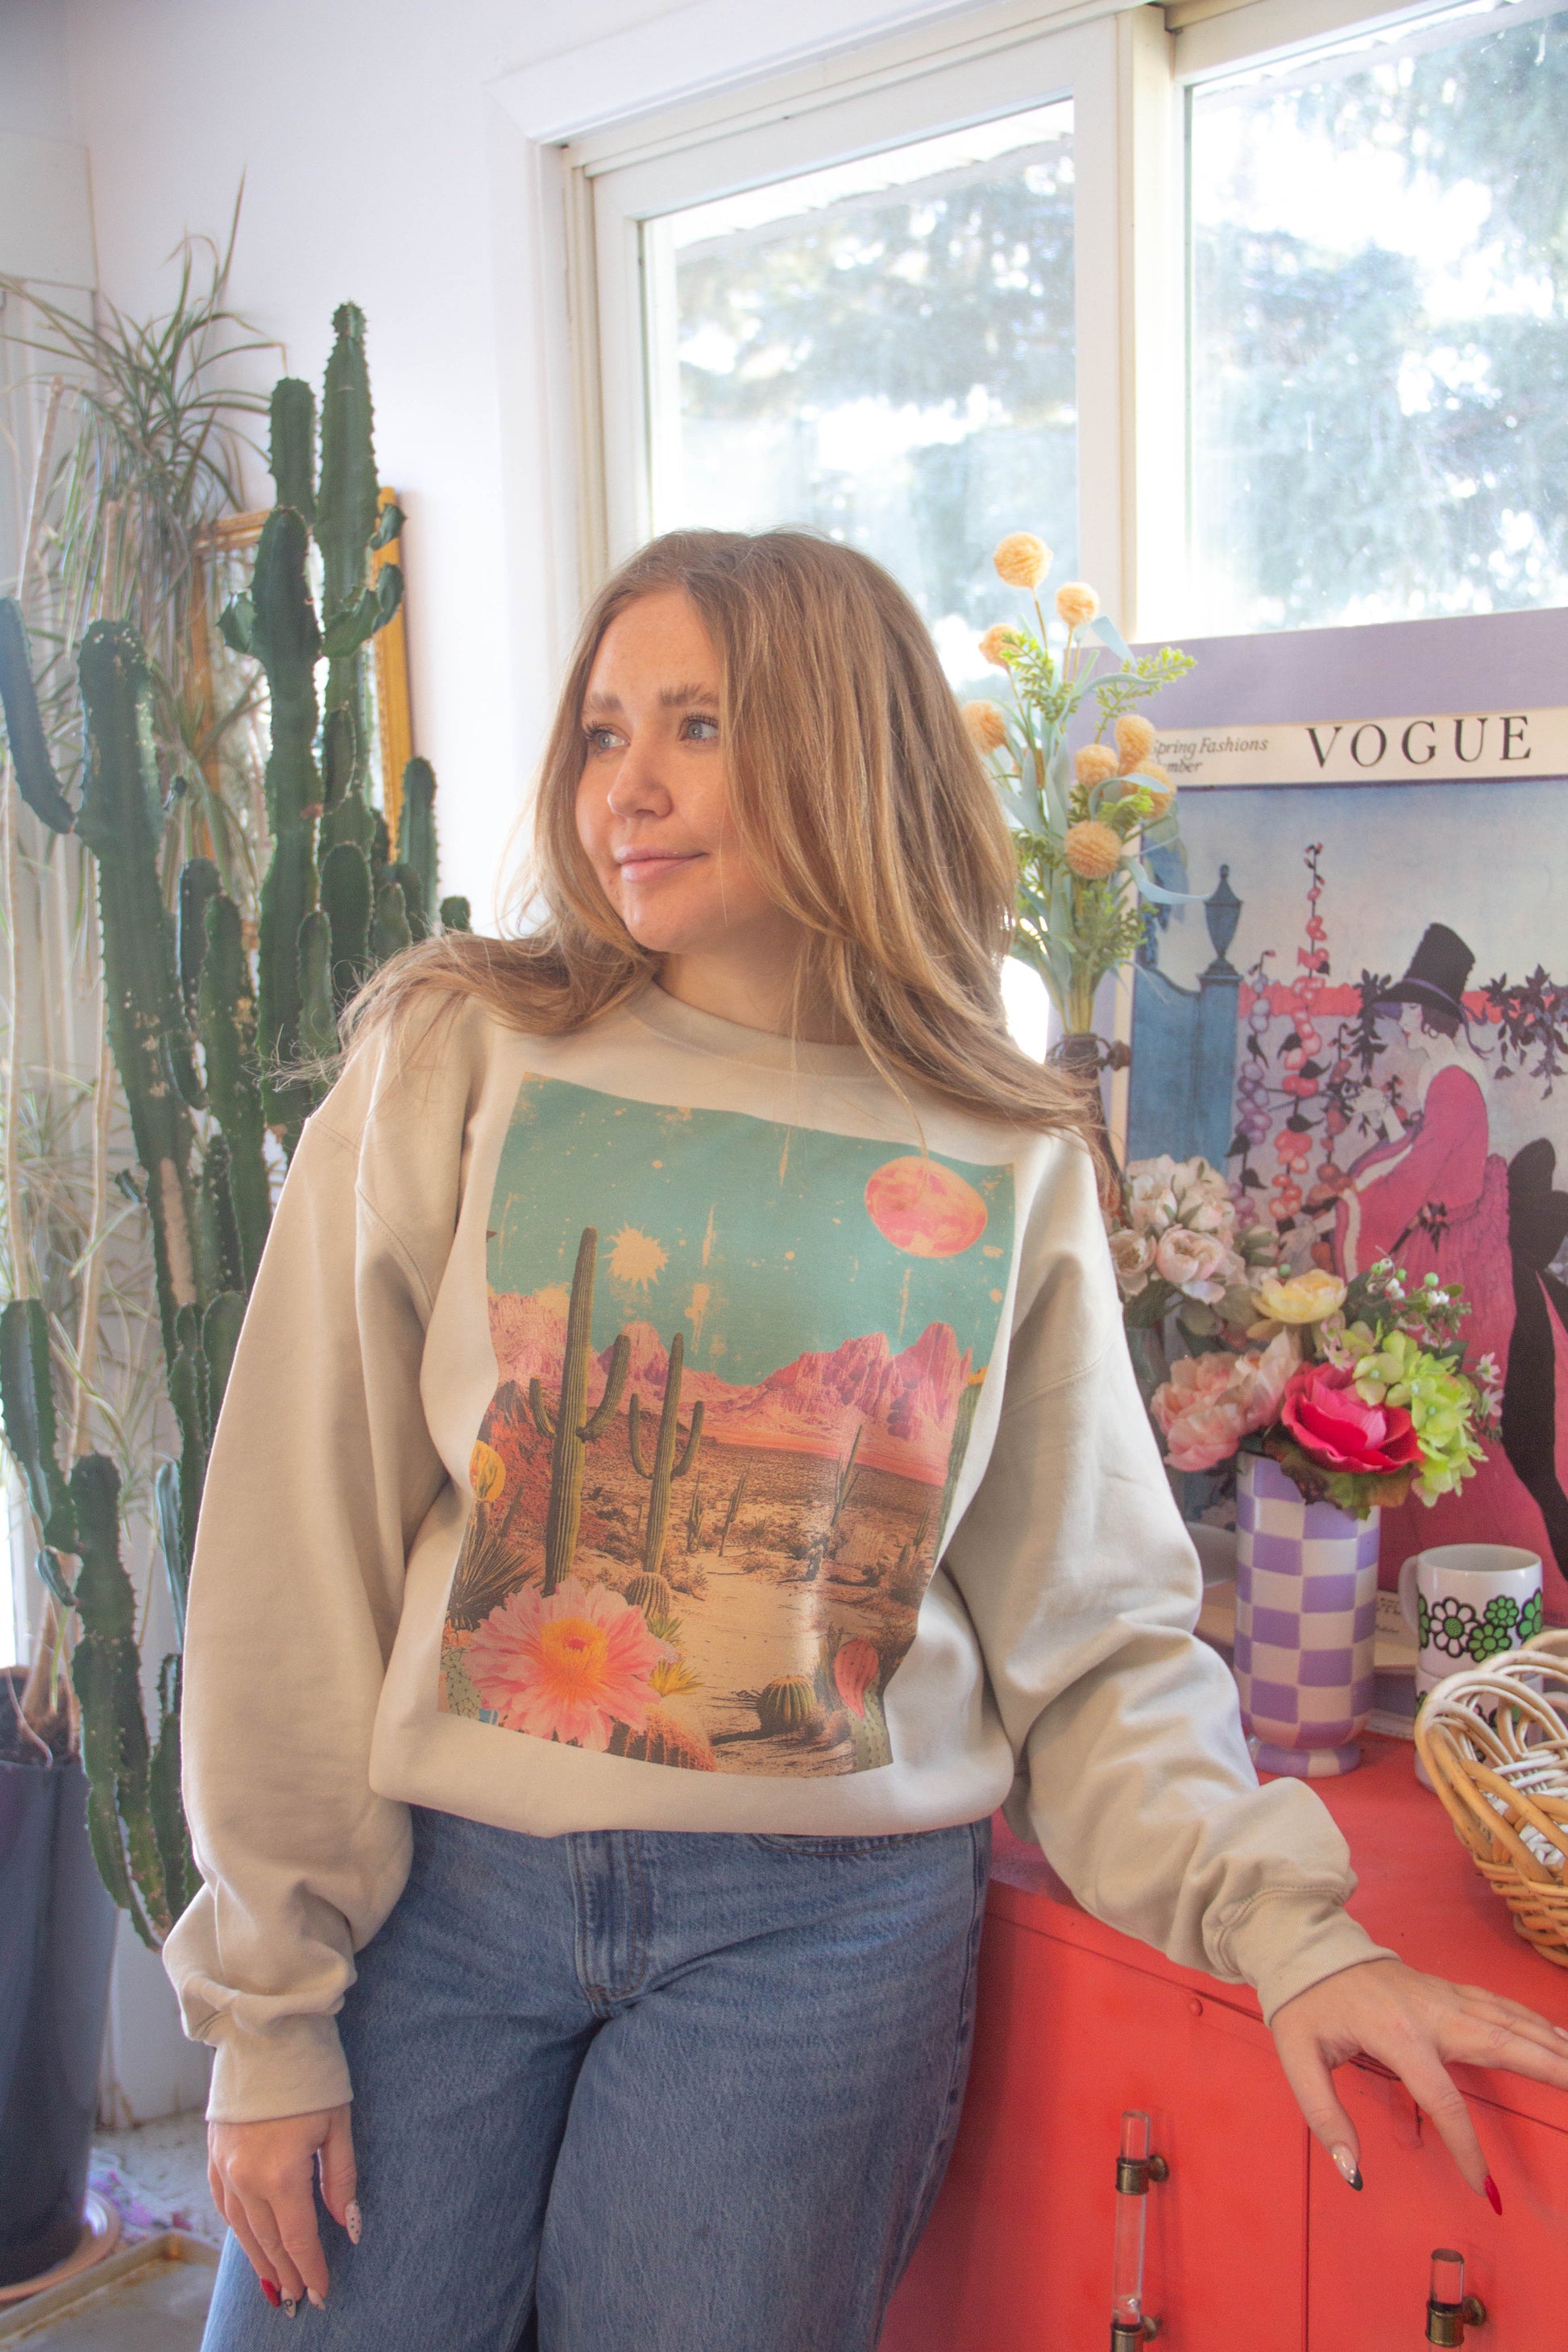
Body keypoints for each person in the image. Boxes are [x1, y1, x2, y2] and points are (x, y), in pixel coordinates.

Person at [171, 532, 1568, 2351]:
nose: (626, 787)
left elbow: (1094, 1629)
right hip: (446, 1898)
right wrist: (267, 2002)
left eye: (696, 725)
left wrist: (1289, 1928)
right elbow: (297, 1531)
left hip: (817, 1943)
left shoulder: (998, 1138)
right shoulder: (460, 1048)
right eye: (602, 731)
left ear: (841, 748)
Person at [1335, 923, 1567, 1583]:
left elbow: (1419, 1170)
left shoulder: (1452, 1082)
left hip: (1456, 1257)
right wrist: (1375, 1155)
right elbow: (1423, 1155)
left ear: (1427, 1016)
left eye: (1409, 1009)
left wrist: (1357, 1197)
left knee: (1439, 1404)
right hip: (1454, 1238)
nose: (1403, 1020)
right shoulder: (1451, 1075)